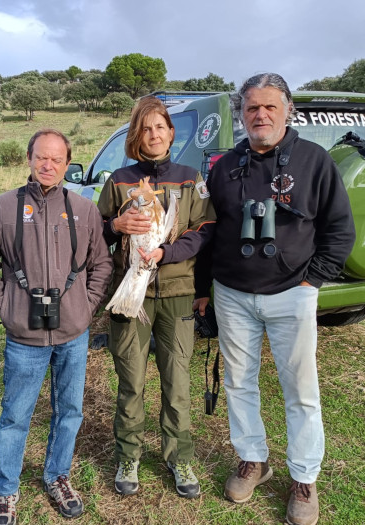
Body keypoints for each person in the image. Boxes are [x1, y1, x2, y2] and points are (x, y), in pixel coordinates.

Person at [194, 73, 356, 525]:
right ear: (241, 114)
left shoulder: (314, 161)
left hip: (292, 294)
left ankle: (304, 478)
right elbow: (211, 233)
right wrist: (204, 288)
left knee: (301, 391)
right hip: (232, 294)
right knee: (238, 382)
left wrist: (313, 282)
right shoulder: (224, 167)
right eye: (251, 108)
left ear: (287, 110)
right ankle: (253, 460)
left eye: (269, 107)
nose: (260, 115)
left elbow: (340, 229)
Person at [0, 129, 112, 524]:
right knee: (16, 415)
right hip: (24, 337)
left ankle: (57, 476)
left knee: (69, 410)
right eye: (40, 158)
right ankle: (6, 491)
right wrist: (3, 306)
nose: (48, 165)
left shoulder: (84, 209)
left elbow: (101, 263)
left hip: (73, 333)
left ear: (68, 165)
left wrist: (85, 306)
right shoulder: (1, 208)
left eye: (56, 159)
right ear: (29, 159)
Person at [97, 97, 215, 498]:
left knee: (176, 383)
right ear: (136, 134)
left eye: (160, 127)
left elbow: (204, 230)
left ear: (171, 131)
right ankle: (128, 453)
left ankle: (178, 456)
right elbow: (98, 233)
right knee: (130, 382)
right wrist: (116, 224)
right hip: (131, 296)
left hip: (177, 294)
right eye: (145, 128)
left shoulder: (188, 177)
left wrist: (169, 252)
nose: (154, 135)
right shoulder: (119, 179)